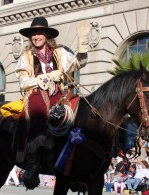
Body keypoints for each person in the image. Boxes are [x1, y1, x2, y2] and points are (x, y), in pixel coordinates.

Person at [14, 16, 91, 185]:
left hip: (58, 94)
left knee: (76, 111)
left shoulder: (60, 53)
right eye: (33, 34)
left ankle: (74, 163)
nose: (36, 37)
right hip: (35, 94)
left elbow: (78, 63)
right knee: (40, 111)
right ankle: (33, 165)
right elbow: (23, 81)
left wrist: (83, 45)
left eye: (39, 33)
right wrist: (45, 78)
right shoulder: (25, 57)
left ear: (47, 35)